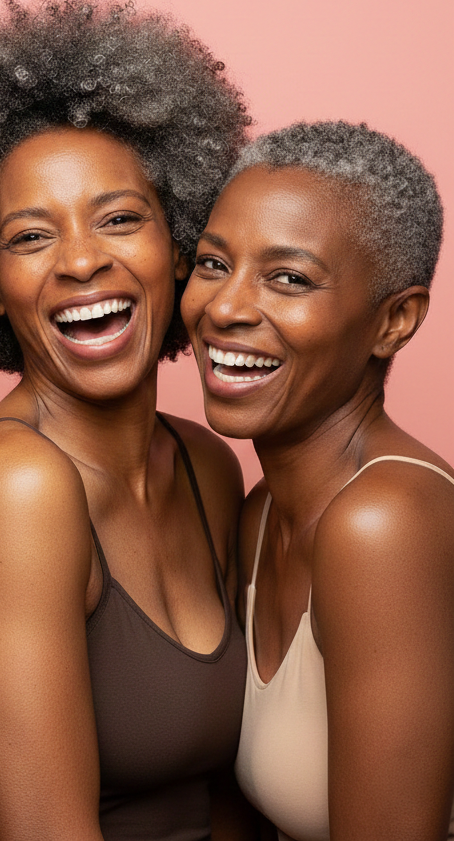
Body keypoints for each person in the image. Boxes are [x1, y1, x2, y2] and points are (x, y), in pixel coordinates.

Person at [0, 0, 252, 841]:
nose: (83, 261)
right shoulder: (16, 486)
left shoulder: (207, 465)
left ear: (181, 241)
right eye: (30, 237)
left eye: (120, 220)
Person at [181, 121, 454, 841]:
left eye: (288, 278)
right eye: (213, 264)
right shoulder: (263, 510)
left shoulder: (385, 522)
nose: (226, 308)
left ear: (394, 321)